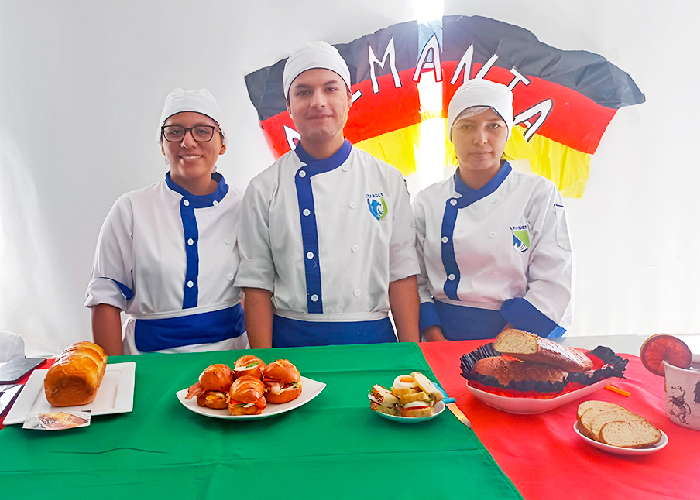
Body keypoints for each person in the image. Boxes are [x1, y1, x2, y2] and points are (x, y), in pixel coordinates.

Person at [235, 41, 420, 348]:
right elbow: (257, 285)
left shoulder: (386, 180)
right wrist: (263, 364)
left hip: (373, 343)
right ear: (289, 105)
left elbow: (401, 273)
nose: (317, 101)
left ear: (349, 98)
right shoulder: (264, 188)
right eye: (304, 92)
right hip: (290, 346)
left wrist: (412, 354)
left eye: (330, 89)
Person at [85, 88, 248, 355]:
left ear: (223, 144)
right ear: (162, 144)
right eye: (174, 132)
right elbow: (105, 297)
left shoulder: (245, 207)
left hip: (230, 358)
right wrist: (116, 376)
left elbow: (260, 291)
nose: (188, 142)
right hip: (148, 360)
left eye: (203, 131)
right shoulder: (131, 209)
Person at [413, 79, 573, 341]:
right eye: (467, 127)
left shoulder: (537, 193)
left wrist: (503, 346)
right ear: (451, 134)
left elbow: (553, 283)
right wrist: (434, 338)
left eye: (494, 126)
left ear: (508, 133)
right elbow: (414, 281)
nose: (480, 139)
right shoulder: (427, 201)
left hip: (522, 334)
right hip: (442, 335)